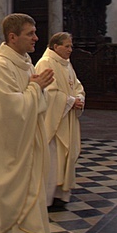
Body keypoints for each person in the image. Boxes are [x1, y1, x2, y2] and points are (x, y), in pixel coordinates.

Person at [0, 13, 74, 233]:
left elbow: (34, 103)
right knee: (23, 199)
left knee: (17, 200)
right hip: (8, 148)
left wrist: (38, 91)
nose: (36, 38)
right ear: (12, 37)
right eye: (30, 33)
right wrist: (35, 90)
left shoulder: (24, 63)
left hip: (24, 144)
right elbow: (9, 111)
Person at [35, 32, 85, 211]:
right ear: (56, 47)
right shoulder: (46, 63)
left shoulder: (66, 64)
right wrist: (71, 101)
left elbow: (77, 85)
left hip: (66, 118)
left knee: (67, 156)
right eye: (67, 46)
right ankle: (47, 199)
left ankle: (60, 195)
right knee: (53, 159)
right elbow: (47, 93)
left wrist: (78, 98)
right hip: (53, 122)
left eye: (71, 46)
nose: (70, 49)